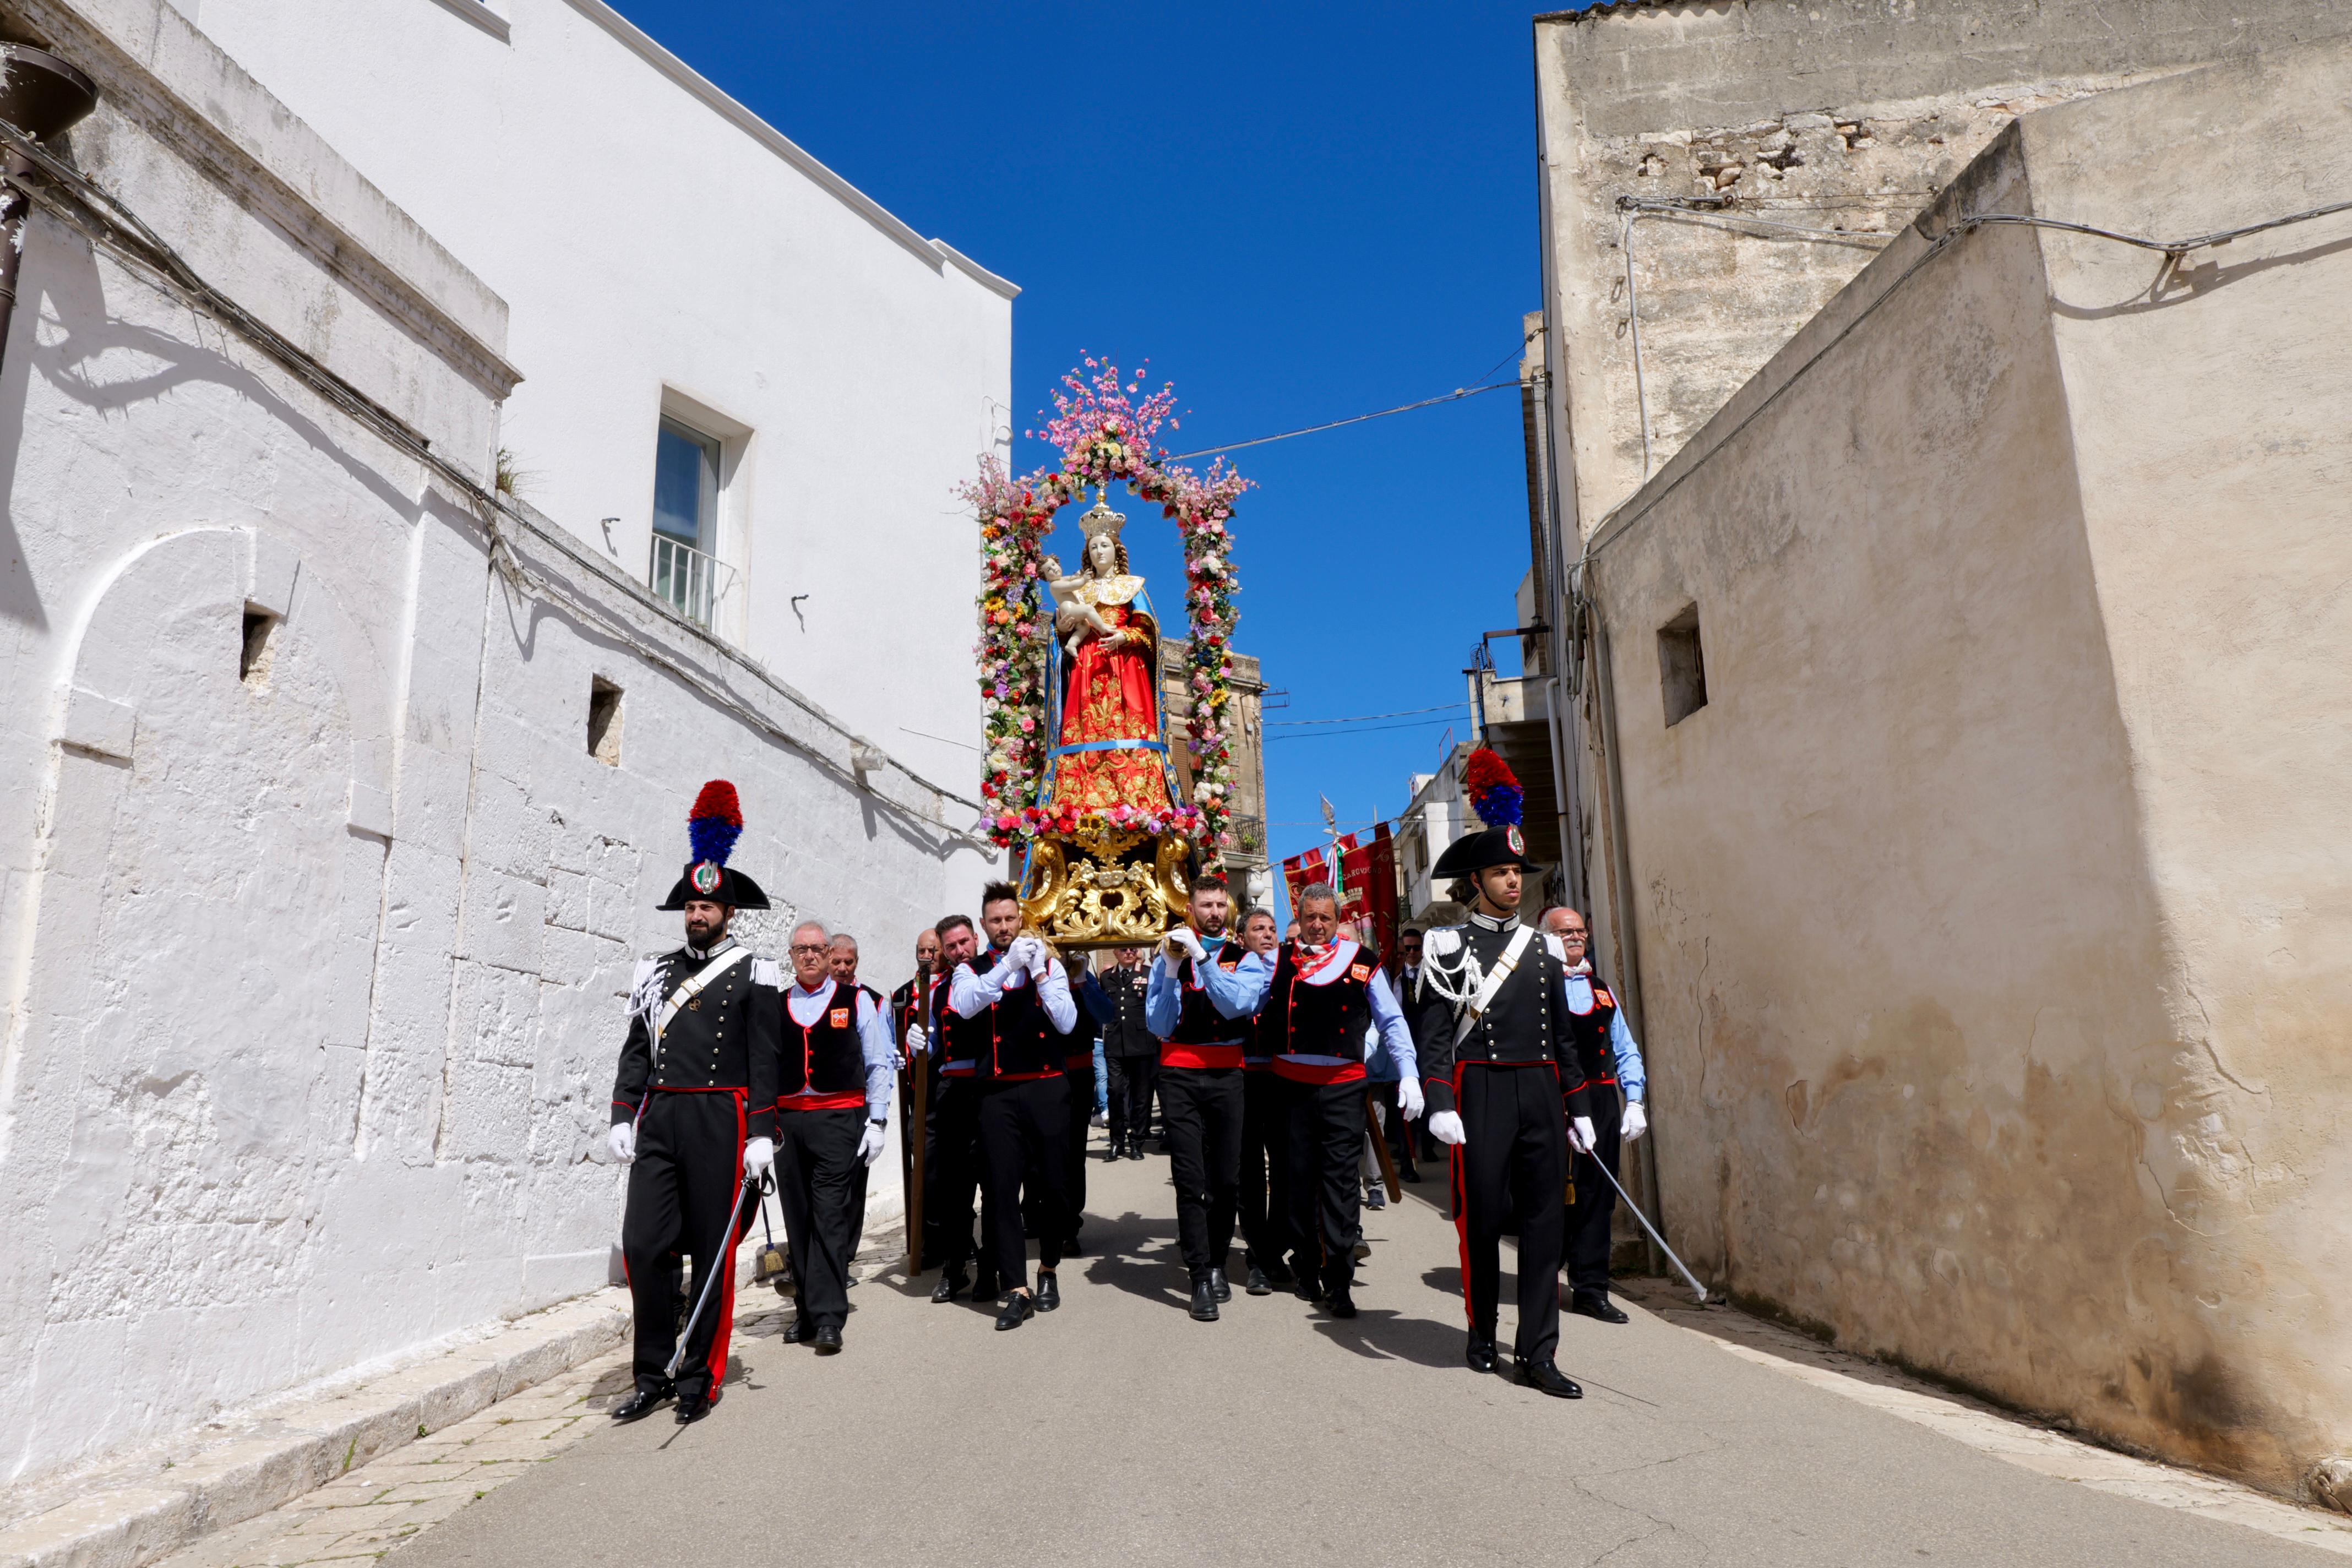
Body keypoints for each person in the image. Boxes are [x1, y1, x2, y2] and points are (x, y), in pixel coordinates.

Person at [608, 781, 781, 1424]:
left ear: (728, 912)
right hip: (661, 1115)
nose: (698, 913)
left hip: (721, 1118)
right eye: (691, 905)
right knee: (644, 1244)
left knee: (711, 1250)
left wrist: (763, 1131)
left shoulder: (755, 971)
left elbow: (766, 1058)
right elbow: (635, 1049)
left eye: (709, 905)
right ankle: (650, 1371)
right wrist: (625, 1113)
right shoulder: (653, 972)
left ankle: (697, 1377)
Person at [1413, 822, 1597, 1400]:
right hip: (1482, 1091)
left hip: (1541, 1090)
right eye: (1500, 872)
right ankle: (1482, 1330)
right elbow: (1435, 1035)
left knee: (1547, 1227)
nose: (1513, 880)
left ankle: (1539, 1353)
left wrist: (1580, 1107)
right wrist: (1440, 1100)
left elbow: (1564, 1038)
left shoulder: (1545, 947)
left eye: (1518, 871)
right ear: (1477, 881)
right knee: (1484, 1221)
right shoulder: (1445, 947)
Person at [1222, 885, 1419, 1317]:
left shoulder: (1363, 963)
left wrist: (1409, 1074)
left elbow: (1391, 1019)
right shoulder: (1272, 960)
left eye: (1325, 918)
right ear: (1300, 915)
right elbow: (1235, 1001)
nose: (1317, 925)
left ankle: (1340, 1279)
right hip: (1288, 1088)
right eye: (1310, 917)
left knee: (1340, 1185)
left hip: (1343, 1088)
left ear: (1336, 919)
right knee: (1295, 1182)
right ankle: (1307, 1263)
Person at [948, 883, 1079, 1331]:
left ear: (1020, 919)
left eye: (1010, 919)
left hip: (1047, 1088)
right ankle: (1015, 1289)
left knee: (1057, 1188)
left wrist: (1040, 972)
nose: (1004, 927)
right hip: (997, 1093)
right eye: (995, 921)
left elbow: (1067, 1022)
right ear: (984, 925)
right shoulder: (971, 971)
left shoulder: (1050, 965)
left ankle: (1048, 1269)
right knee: (1000, 1191)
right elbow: (965, 1008)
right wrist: (1007, 965)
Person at [1145, 876, 1267, 1322]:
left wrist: (1204, 960)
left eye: (1220, 905)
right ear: (1191, 909)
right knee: (1190, 1177)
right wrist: (1174, 970)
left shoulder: (1247, 959)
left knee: (1227, 1178)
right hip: (1178, 1072)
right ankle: (1199, 1274)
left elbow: (1237, 1006)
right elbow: (1158, 1023)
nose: (1214, 912)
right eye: (1205, 905)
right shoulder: (1168, 956)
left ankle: (1217, 1259)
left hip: (1226, 1074)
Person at [770, 923, 894, 1353]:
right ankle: (804, 1308)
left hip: (838, 1119)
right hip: (789, 1122)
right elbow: (763, 1069)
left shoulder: (856, 1000)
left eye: (817, 949)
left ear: (828, 953)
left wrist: (877, 1121)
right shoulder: (777, 1004)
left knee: (828, 1214)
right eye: (800, 950)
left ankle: (828, 1317)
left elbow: (878, 1064)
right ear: (791, 956)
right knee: (798, 1216)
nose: (810, 956)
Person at [1540, 905, 1649, 1325]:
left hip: (1601, 1100)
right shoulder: (1538, 986)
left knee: (1597, 1199)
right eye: (1564, 932)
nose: (1575, 938)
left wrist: (1635, 1098)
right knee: (1550, 1197)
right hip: (1556, 1101)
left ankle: (1591, 1289)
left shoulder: (1602, 988)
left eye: (1580, 931)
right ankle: (1543, 1283)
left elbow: (1624, 1046)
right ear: (1546, 937)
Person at [919, 914, 987, 1302]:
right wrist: (917, 1046)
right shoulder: (938, 988)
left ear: (975, 939)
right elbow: (931, 1045)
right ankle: (954, 1266)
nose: (959, 951)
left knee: (995, 1181)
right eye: (951, 946)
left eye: (964, 942)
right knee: (954, 1188)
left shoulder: (995, 976)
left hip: (990, 1088)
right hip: (951, 1090)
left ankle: (993, 1265)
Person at [1232, 907, 1293, 1296]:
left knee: (1287, 1168)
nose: (1268, 934)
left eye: (1272, 929)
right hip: (1241, 1080)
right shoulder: (1229, 967)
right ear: (1242, 938)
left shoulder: (1291, 971)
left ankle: (1277, 1246)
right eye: (1259, 929)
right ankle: (1258, 1256)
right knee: (1249, 1173)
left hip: (1283, 1078)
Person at [827, 933, 890, 1272]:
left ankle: (845, 1257)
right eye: (836, 961)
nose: (841, 968)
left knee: (853, 1184)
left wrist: (878, 1115)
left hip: (860, 1104)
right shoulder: (820, 998)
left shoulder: (871, 1000)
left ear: (857, 962)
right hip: (824, 1106)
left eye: (848, 962)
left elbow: (878, 1058)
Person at [888, 927, 940, 1250]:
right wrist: (896, 1052)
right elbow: (892, 1036)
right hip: (919, 1100)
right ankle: (932, 1239)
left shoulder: (952, 986)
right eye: (923, 950)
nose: (928, 957)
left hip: (950, 1091)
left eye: (933, 951)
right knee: (925, 1169)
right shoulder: (903, 995)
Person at [1097, 946, 1156, 1159]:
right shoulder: (1106, 977)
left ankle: (1137, 1141)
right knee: (1115, 1092)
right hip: (1115, 1043)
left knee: (1141, 1096)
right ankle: (1116, 1141)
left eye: (1133, 949)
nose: (1129, 953)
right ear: (1115, 952)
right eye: (1124, 949)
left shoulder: (1148, 973)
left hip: (1142, 1043)